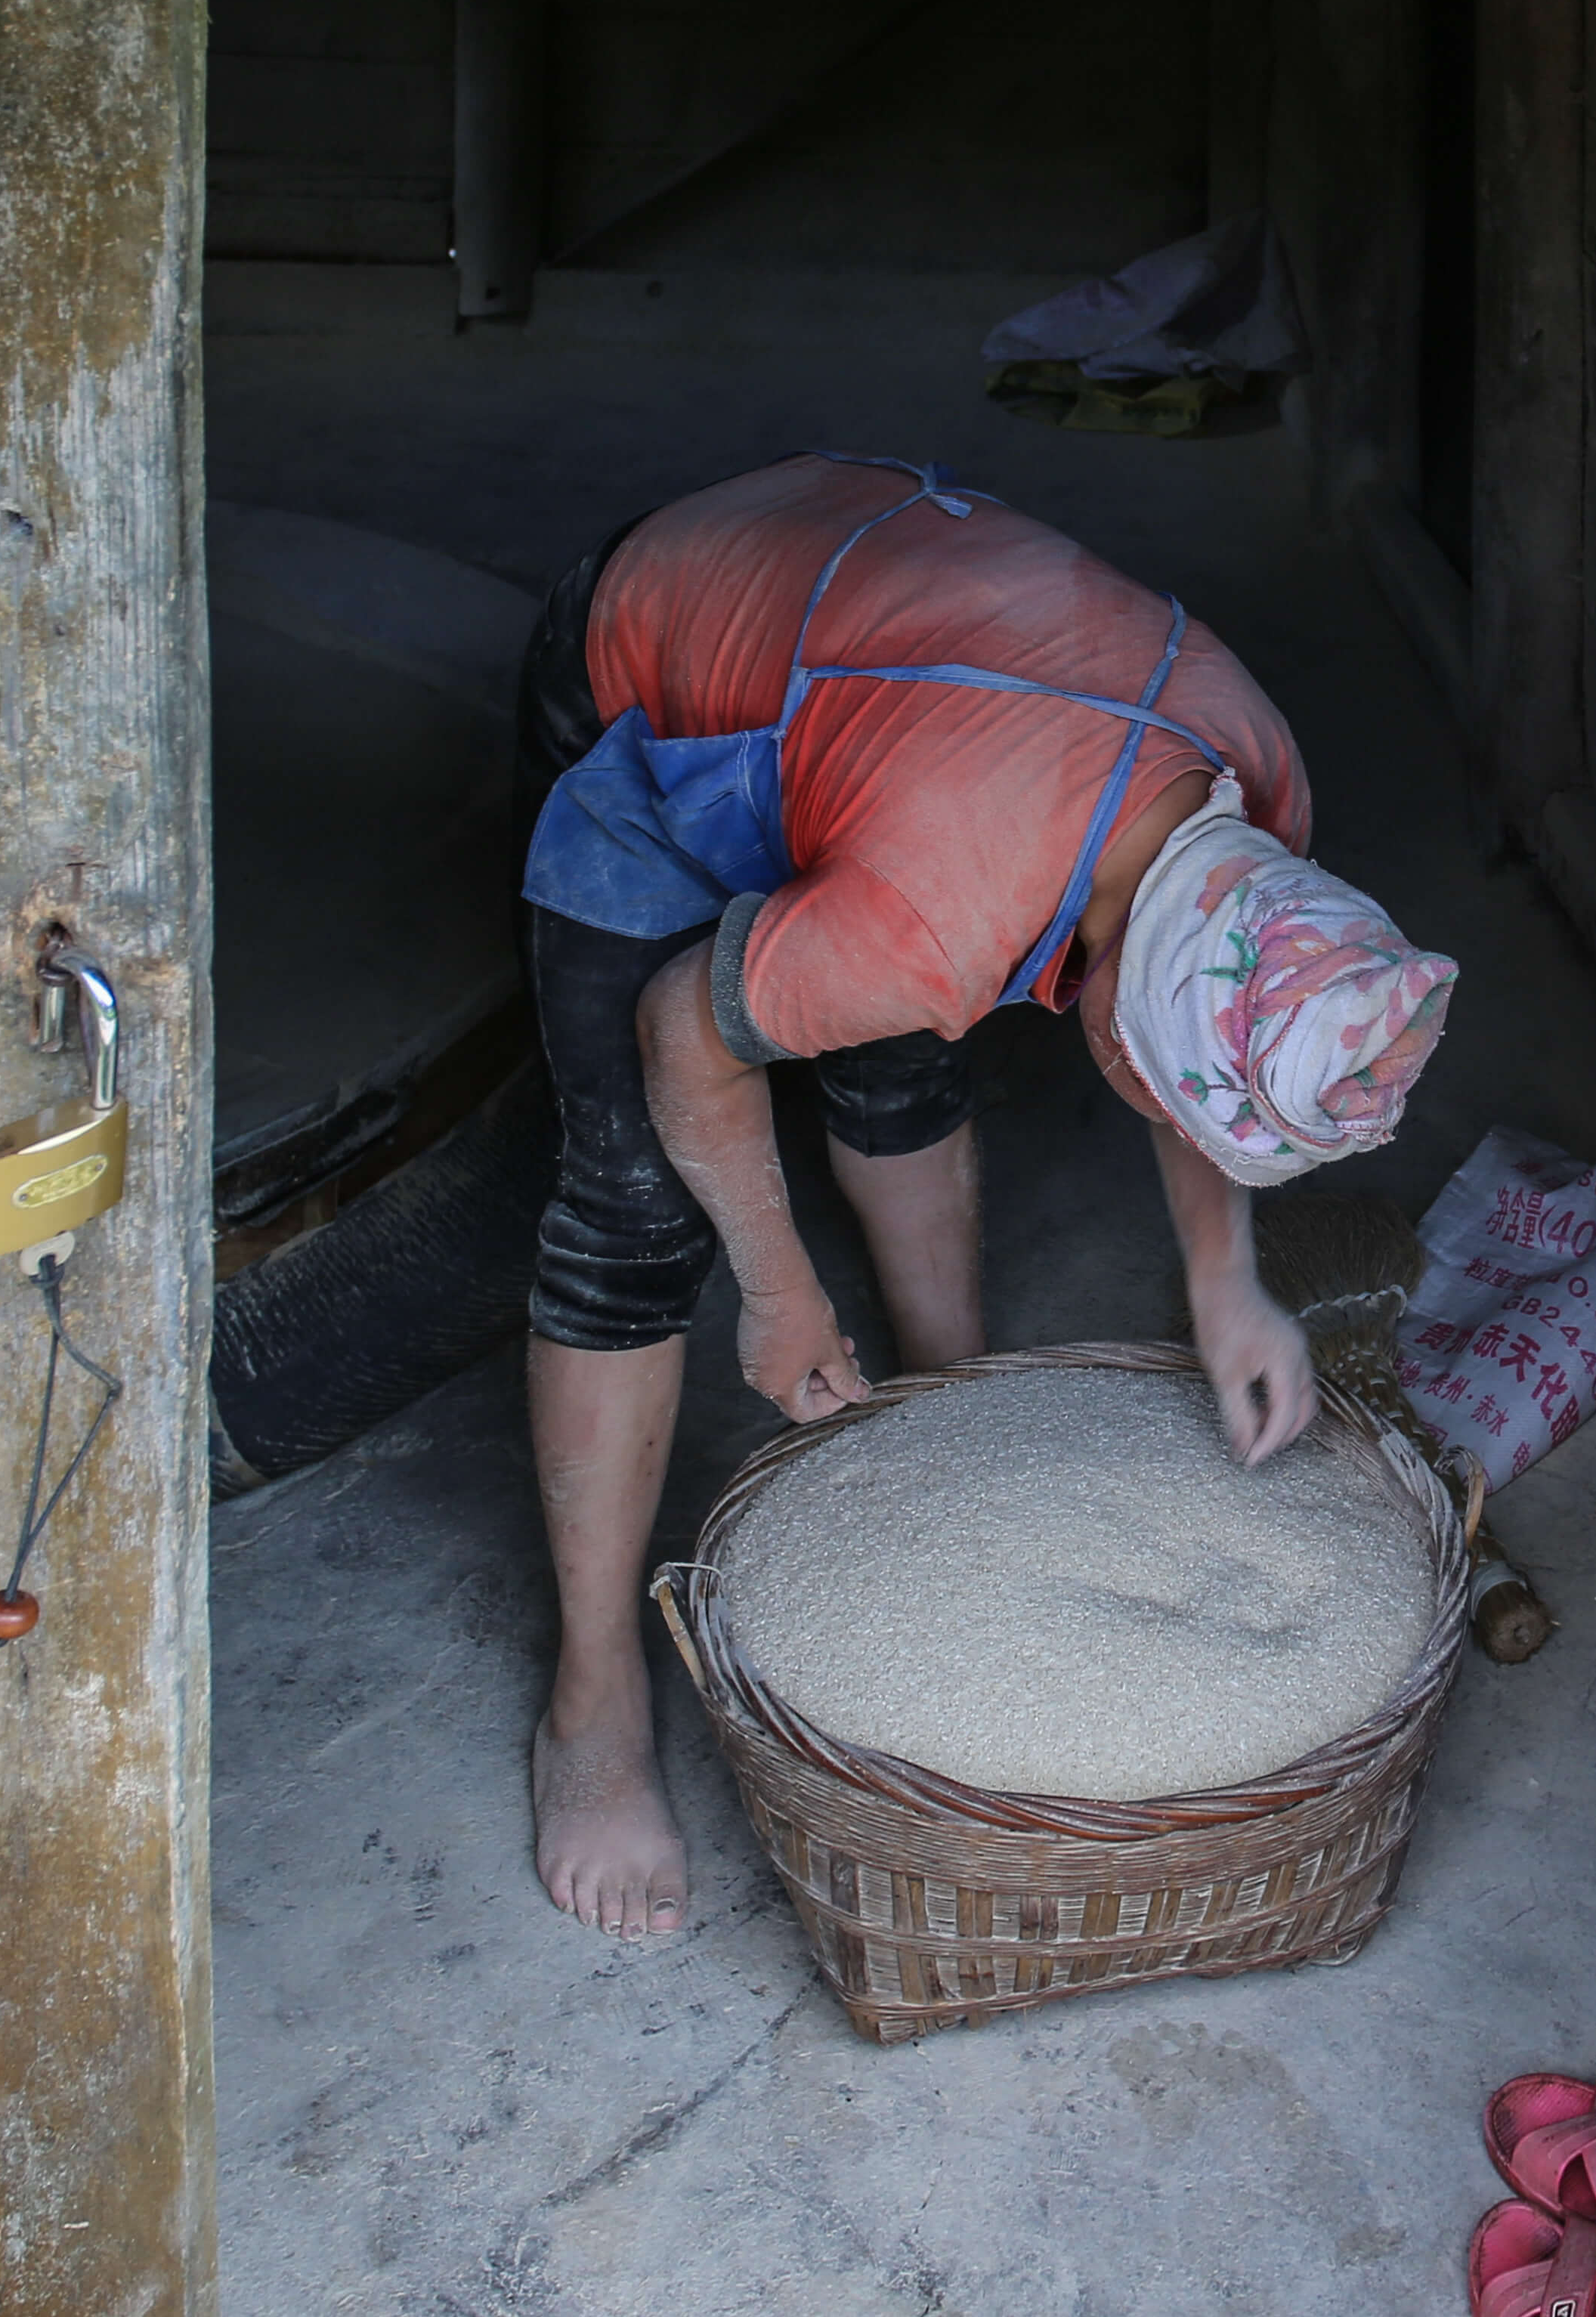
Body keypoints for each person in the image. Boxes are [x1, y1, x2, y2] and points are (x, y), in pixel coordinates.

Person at [512, 451, 1459, 1938]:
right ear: (1123, 1013)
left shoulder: (1250, 792)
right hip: (666, 649)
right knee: (634, 1202)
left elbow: (1186, 1042)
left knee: (900, 1068)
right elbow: (680, 1035)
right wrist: (778, 1282)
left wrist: (1229, 1280)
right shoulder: (929, 915)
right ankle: (593, 1695)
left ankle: (948, 1421)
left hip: (892, 656)